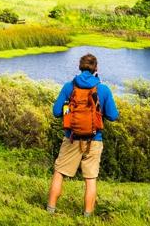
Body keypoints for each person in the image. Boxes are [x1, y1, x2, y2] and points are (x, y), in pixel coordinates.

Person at [47, 52, 119, 216]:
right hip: (94, 140)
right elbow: (113, 116)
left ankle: (50, 211)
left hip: (71, 138)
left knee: (59, 173)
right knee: (90, 180)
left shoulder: (69, 87)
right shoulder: (103, 89)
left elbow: (56, 111)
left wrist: (68, 110)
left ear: (80, 67)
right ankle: (87, 216)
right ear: (96, 68)